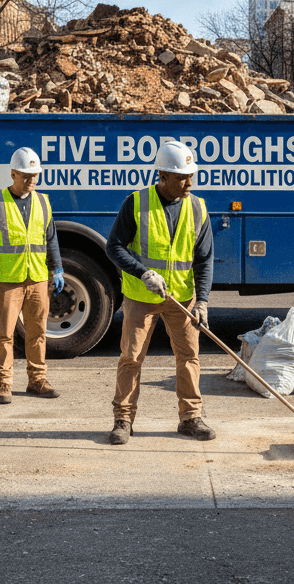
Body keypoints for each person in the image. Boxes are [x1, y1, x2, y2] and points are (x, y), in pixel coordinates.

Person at [105, 141, 215, 445]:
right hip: (142, 297)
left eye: (191, 175)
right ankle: (123, 420)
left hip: (182, 298)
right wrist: (143, 272)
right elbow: (113, 246)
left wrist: (202, 301)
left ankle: (191, 418)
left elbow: (204, 259)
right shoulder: (137, 203)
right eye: (182, 177)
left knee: (189, 356)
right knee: (131, 357)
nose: (189, 182)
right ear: (163, 175)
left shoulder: (197, 207)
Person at [0, 147, 64, 404]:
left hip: (37, 277)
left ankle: (37, 380)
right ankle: (3, 383)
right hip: (7, 279)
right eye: (26, 175)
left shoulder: (43, 201)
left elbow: (51, 238)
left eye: (35, 175)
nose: (32, 180)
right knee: (4, 334)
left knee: (38, 332)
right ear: (13, 173)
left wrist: (56, 268)